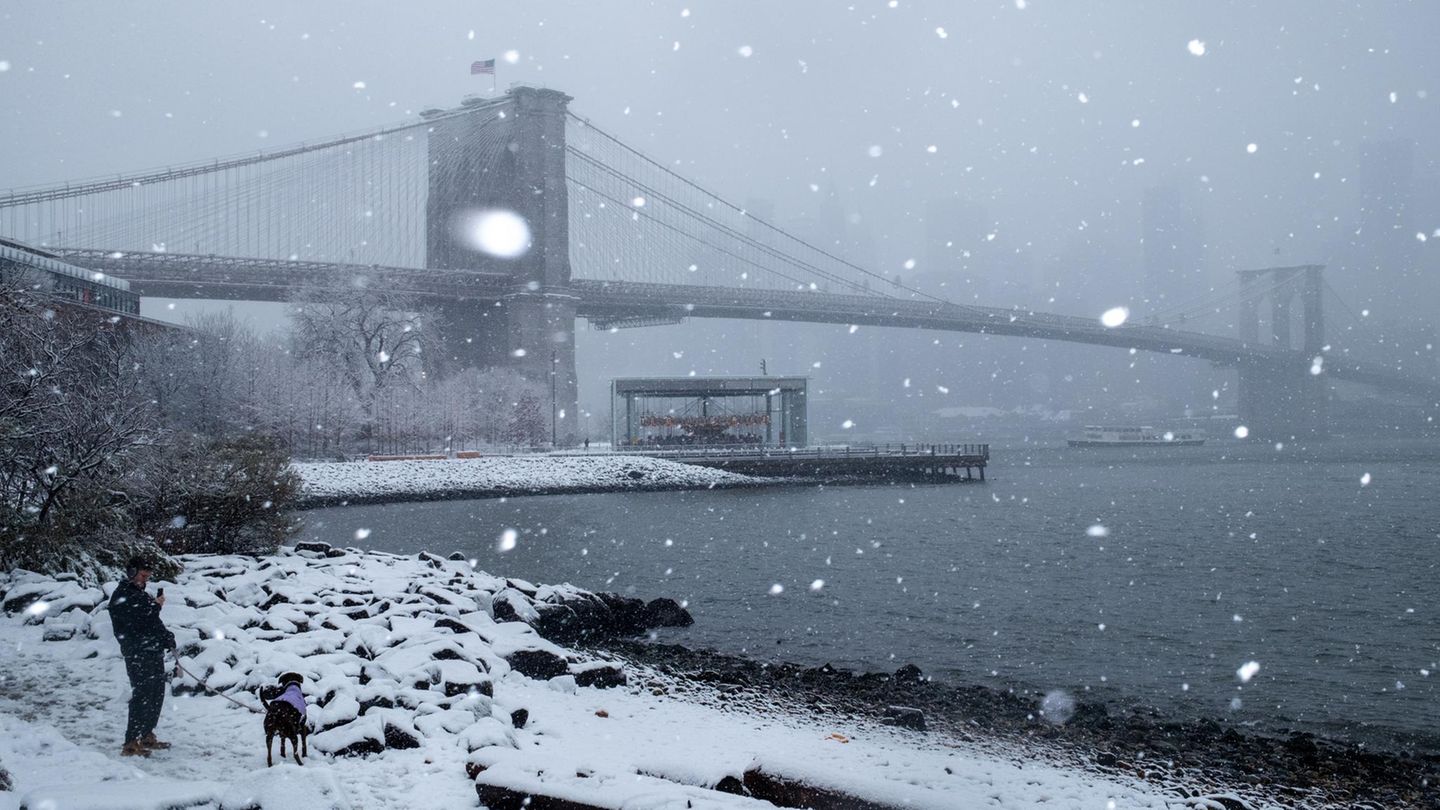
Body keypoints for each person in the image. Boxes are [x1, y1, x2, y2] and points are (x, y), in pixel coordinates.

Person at [109, 555, 176, 757]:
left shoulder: (140, 593)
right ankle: (131, 742)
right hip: (137, 652)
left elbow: (152, 622)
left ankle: (146, 734)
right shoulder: (122, 594)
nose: (144, 579)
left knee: (156, 693)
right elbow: (138, 621)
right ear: (131, 572)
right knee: (142, 695)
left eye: (147, 576)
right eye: (142, 575)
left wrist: (167, 637)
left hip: (152, 650)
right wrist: (156, 606)